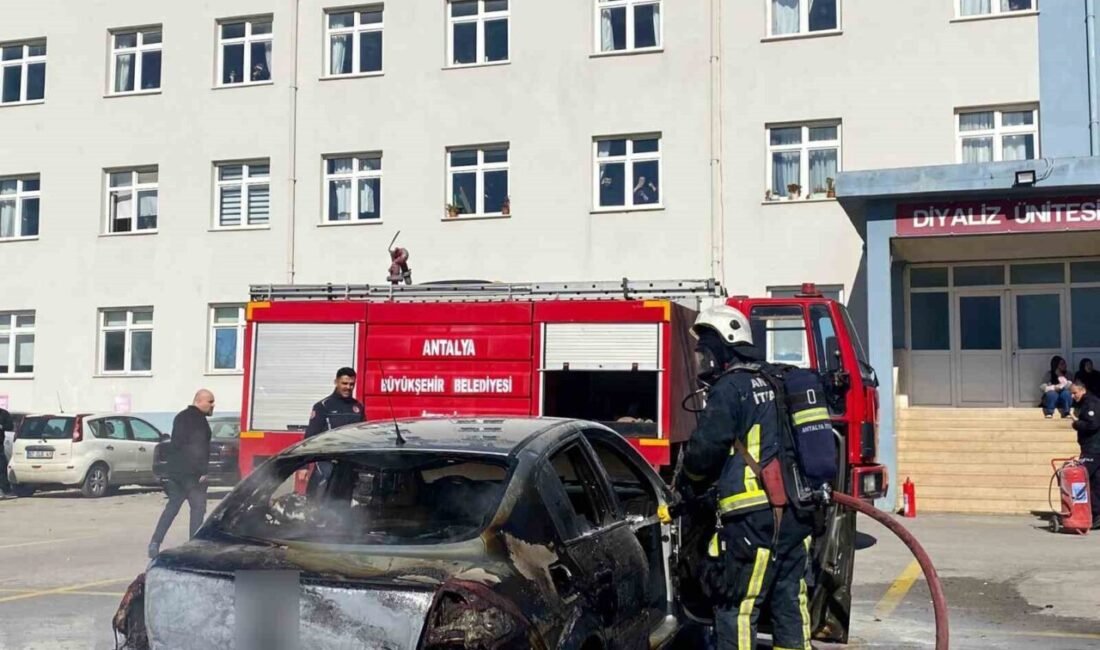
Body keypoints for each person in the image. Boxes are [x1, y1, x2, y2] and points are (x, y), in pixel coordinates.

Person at [679, 305, 813, 650]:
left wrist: (688, 484)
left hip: (752, 522)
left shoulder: (730, 388)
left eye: (707, 351)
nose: (704, 360)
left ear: (726, 346)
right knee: (789, 604)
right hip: (798, 516)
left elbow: (703, 453)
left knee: (736, 608)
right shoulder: (778, 379)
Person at [148, 390, 215, 559]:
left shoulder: (180, 417)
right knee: (198, 508)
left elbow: (176, 443)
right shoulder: (199, 421)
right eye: (210, 401)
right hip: (192, 475)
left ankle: (155, 542)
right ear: (200, 401)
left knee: (172, 508)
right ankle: (194, 547)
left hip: (176, 473)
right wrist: (202, 472)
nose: (213, 405)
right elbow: (199, 449)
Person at [304, 367, 365, 494]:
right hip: (326, 466)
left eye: (351, 384)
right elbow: (310, 437)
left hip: (349, 467)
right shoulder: (323, 406)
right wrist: (303, 467)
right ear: (336, 382)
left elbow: (364, 435)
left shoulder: (358, 407)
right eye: (344, 383)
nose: (348, 387)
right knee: (318, 508)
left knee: (341, 509)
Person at [1069, 379, 1100, 530]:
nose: (1073, 396)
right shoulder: (1087, 402)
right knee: (1095, 481)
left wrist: (1076, 423)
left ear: (1082, 390)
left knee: (1082, 479)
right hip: (1093, 448)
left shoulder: (1091, 403)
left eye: (1075, 393)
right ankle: (1096, 515)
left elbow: (1093, 424)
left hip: (1093, 448)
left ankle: (1088, 514)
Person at [0, 406, 13, 497]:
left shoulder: (3, 414)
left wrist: (1, 426)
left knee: (1, 468)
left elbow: (10, 426)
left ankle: (4, 490)